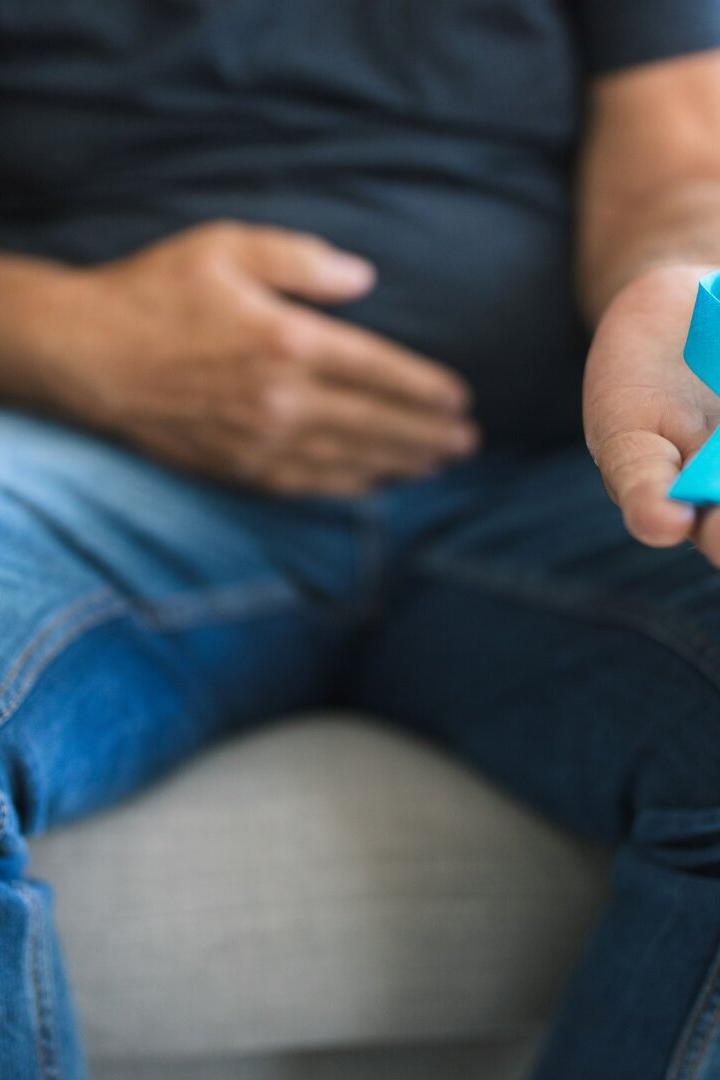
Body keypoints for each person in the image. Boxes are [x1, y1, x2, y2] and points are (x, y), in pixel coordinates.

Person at [2, 2, 720, 1077]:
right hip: (90, 466)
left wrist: (683, 300)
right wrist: (68, 335)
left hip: (546, 481)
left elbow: (681, 154)